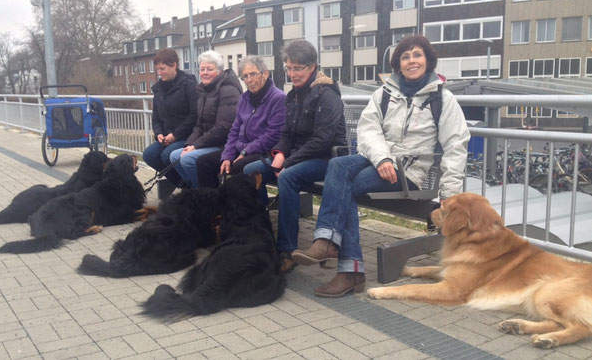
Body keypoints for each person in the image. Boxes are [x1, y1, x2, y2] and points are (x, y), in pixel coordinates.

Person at [291, 35, 470, 297]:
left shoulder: (442, 99)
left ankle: (346, 265)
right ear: (398, 63)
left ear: (428, 60)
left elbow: (456, 145)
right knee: (339, 165)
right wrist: (383, 158)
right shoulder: (384, 93)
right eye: (405, 56)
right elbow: (368, 130)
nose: (411, 61)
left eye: (417, 55)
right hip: (379, 161)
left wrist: (450, 196)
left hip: (409, 172)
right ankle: (328, 242)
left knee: (345, 186)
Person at [243, 40, 346, 274]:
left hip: (327, 159)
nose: (292, 74)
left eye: (298, 68)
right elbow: (287, 134)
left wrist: (288, 162)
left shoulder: (327, 94)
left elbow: (323, 140)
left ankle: (287, 250)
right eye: (289, 68)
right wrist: (279, 153)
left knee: (287, 177)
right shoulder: (293, 96)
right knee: (251, 172)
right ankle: (261, 233)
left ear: (312, 67)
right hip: (300, 156)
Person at [196, 56, 286, 188]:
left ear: (265, 74)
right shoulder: (244, 99)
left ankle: (254, 206)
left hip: (264, 151)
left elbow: (272, 136)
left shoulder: (278, 98)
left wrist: (245, 151)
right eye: (245, 76)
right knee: (204, 162)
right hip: (242, 149)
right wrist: (227, 156)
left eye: (253, 74)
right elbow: (234, 130)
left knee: (240, 167)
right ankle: (214, 205)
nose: (249, 80)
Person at [169, 50, 242, 188]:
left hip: (224, 144)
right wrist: (189, 145)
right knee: (175, 156)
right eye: (202, 69)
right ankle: (196, 190)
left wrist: (196, 146)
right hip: (209, 142)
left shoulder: (228, 90)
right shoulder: (205, 91)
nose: (205, 72)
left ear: (219, 71)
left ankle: (208, 193)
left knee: (188, 159)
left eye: (210, 69)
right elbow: (199, 125)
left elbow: (224, 128)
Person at [142, 48, 198, 187]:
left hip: (188, 136)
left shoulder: (189, 84)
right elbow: (156, 118)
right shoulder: (158, 89)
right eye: (158, 70)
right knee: (149, 155)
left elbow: (194, 115)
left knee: (167, 156)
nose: (159, 73)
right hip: (167, 137)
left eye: (162, 69)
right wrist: (159, 133)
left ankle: (191, 184)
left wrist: (175, 135)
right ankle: (183, 184)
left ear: (174, 65)